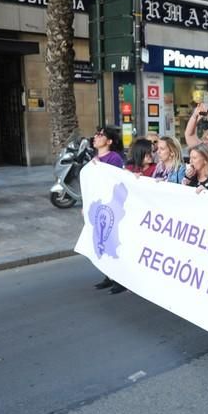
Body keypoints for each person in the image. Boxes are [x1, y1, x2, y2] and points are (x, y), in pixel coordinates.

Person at [92, 126, 126, 294]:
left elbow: (113, 181)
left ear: (109, 141)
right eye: (96, 134)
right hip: (99, 206)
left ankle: (119, 279)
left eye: (101, 135)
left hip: (111, 206)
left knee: (113, 242)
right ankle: (108, 275)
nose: (96, 137)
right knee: (102, 241)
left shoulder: (114, 158)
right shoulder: (95, 158)